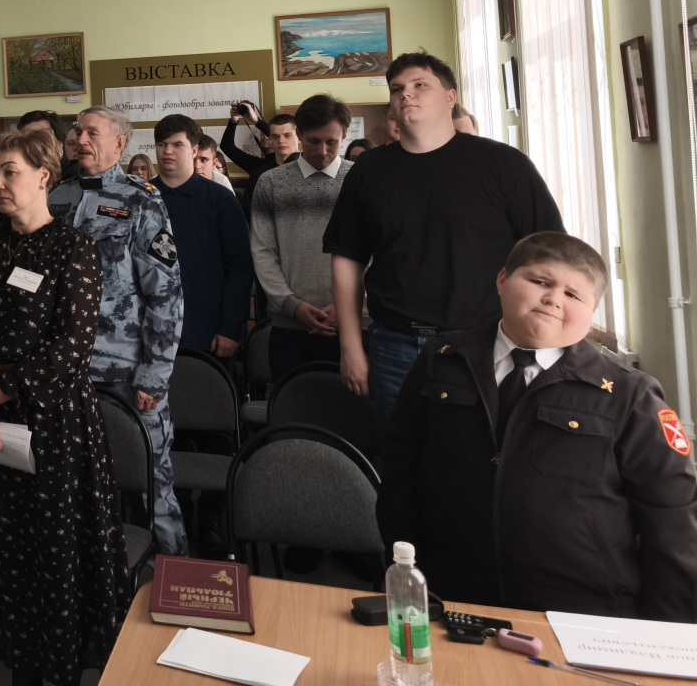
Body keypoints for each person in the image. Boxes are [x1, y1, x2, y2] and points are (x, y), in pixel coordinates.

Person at [378, 232, 697, 618]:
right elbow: (400, 472)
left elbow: (672, 517)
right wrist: (404, 574)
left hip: (583, 607)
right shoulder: (441, 360)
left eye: (573, 294)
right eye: (540, 282)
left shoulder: (630, 394)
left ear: (591, 312)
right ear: (502, 280)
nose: (553, 299)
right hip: (451, 593)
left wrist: (669, 626)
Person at [0, 127, 129, 686]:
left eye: (11, 173)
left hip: (52, 422)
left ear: (44, 177)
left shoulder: (74, 248)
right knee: (0, 547)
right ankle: (15, 656)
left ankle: (58, 664)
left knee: (51, 551)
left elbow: (72, 346)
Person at [325, 53, 563, 422]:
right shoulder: (368, 171)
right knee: (402, 452)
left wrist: (541, 338)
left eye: (420, 85)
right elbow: (346, 260)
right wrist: (351, 347)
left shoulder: (503, 164)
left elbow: (549, 256)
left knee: (488, 451)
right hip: (395, 344)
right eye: (397, 89)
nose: (406, 94)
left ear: (450, 97)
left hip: (487, 342)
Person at [48, 105, 187, 554]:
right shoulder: (56, 197)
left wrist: (154, 374)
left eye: (93, 132)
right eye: (77, 130)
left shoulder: (140, 199)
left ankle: (173, 575)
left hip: (125, 373)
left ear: (119, 144)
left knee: (151, 486)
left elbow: (165, 293)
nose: (80, 138)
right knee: (76, 487)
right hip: (66, 372)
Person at [250, 95, 354, 384]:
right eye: (313, 141)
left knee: (353, 409)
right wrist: (290, 304)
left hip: (354, 323)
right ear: (299, 135)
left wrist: (349, 305)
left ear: (345, 135)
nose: (322, 151)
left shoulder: (361, 180)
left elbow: (378, 252)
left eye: (331, 142)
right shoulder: (271, 183)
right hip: (290, 326)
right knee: (291, 405)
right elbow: (262, 251)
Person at [151, 115, 251, 359]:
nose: (168, 151)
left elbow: (240, 266)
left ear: (194, 150)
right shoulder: (139, 198)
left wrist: (231, 327)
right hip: (150, 332)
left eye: (177, 144)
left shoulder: (221, 199)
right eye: (162, 144)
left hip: (208, 331)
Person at [18, 108, 78, 182]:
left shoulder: (76, 179)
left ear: (59, 144)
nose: (34, 144)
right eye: (27, 138)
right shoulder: (18, 175)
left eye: (42, 137)